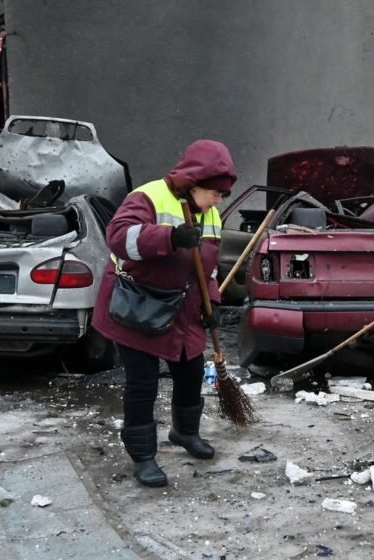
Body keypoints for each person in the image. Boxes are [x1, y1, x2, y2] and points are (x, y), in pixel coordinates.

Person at [92, 139, 236, 487]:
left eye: (222, 194)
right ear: (193, 183)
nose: (219, 200)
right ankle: (143, 456)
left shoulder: (210, 213)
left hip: (182, 309)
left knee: (190, 372)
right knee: (142, 384)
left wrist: (211, 304)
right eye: (215, 192)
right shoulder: (150, 196)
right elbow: (119, 238)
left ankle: (185, 432)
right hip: (138, 306)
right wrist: (169, 237)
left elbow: (209, 268)